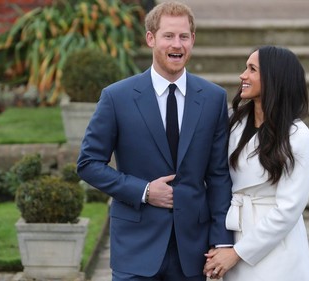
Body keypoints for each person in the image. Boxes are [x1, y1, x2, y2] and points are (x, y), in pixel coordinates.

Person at [76, 1, 233, 281]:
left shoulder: (213, 98)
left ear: (193, 40)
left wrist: (221, 241)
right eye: (168, 36)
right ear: (151, 38)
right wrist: (145, 191)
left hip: (193, 250)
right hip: (135, 248)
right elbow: (88, 163)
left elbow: (219, 175)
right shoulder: (117, 97)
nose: (177, 44)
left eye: (184, 36)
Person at [203, 45, 309, 281]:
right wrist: (223, 244)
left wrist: (238, 252)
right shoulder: (233, 123)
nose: (242, 76)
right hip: (234, 232)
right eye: (246, 68)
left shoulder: (297, 136)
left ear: (274, 79)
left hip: (276, 247)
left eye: (252, 69)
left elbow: (289, 209)